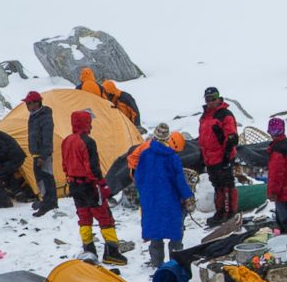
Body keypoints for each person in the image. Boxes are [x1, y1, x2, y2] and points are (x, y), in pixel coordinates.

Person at [61, 110, 127, 264]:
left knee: (84, 217)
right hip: (89, 185)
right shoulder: (88, 142)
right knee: (105, 217)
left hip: (74, 184)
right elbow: (92, 167)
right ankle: (112, 252)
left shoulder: (67, 141)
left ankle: (89, 250)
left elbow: (64, 164)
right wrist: (102, 185)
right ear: (86, 124)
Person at [135, 123, 195, 267]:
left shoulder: (144, 155)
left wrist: (143, 195)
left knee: (156, 233)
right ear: (168, 139)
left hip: (151, 200)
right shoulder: (172, 157)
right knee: (175, 232)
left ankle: (157, 264)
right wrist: (187, 196)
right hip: (170, 200)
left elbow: (138, 177)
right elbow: (179, 180)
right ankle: (176, 263)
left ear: (154, 137)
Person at [197, 86, 239, 227]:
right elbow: (204, 137)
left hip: (222, 157)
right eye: (208, 99)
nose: (210, 102)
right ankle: (220, 212)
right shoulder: (204, 116)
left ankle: (229, 213)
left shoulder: (224, 114)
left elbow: (232, 136)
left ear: (218, 98)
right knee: (217, 186)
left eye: (213, 99)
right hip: (210, 157)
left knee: (227, 185)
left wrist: (227, 155)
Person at [24, 91, 58, 216]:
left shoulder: (45, 117)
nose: (27, 106)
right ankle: (45, 200)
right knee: (40, 178)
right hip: (36, 154)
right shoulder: (34, 116)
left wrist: (43, 156)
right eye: (27, 103)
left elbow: (47, 138)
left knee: (47, 177)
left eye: (29, 103)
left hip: (43, 155)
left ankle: (50, 202)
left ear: (37, 103)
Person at [265, 117, 287, 234]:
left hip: (283, 191)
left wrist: (273, 192)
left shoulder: (278, 149)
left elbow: (277, 174)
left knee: (285, 217)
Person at [0, 128, 27, 209]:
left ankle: (5, 201)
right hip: (14, 157)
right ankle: (19, 194)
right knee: (6, 173)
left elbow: (2, 149)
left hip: (13, 158)